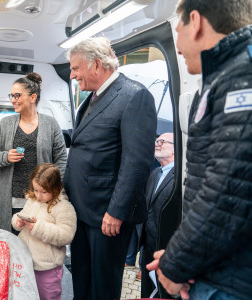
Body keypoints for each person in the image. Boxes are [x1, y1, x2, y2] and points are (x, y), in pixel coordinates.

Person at [146, 1, 252, 300]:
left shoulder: (241, 76)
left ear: (196, 21)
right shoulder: (224, 75)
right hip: (215, 264)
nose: (177, 41)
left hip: (232, 281)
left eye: (178, 28)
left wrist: (175, 264)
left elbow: (229, 193)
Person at [63, 36, 157, 300]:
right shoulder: (92, 97)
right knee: (81, 276)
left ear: (95, 65)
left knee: (103, 285)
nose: (72, 75)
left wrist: (116, 212)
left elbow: (136, 162)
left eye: (75, 68)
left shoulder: (134, 96)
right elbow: (91, 136)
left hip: (106, 215)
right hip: (81, 209)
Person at [0, 72, 67, 233]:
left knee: (37, 245)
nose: (13, 99)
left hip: (41, 200)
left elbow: (61, 159)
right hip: (12, 200)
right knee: (12, 244)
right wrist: (5, 156)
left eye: (17, 95)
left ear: (33, 97)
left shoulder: (50, 124)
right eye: (12, 95)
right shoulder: (6, 124)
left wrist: (54, 187)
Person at [11, 163, 77, 300]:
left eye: (43, 191)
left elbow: (66, 235)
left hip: (48, 268)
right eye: (35, 190)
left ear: (55, 188)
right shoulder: (33, 201)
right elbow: (21, 214)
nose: (38, 195)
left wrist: (37, 228)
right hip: (26, 262)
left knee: (48, 297)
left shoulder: (64, 207)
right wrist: (18, 221)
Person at [141, 132, 175, 298]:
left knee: (162, 293)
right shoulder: (155, 173)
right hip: (148, 246)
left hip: (166, 247)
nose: (157, 144)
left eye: (162, 141)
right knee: (146, 290)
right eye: (156, 140)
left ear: (175, 149)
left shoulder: (182, 177)